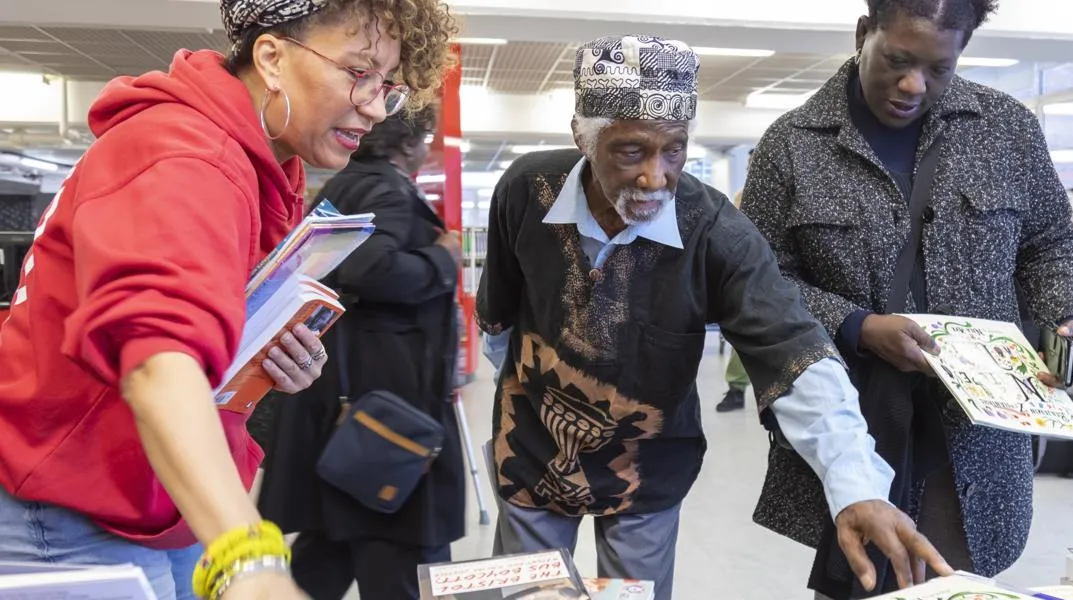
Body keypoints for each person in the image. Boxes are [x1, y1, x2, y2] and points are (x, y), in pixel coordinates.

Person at [0, 0, 456, 598]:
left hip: (160, 494)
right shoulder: (187, 154)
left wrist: (261, 353)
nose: (374, 106)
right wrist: (248, 558)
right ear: (271, 58)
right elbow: (157, 364)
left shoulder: (261, 162)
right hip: (70, 505)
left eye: (387, 86)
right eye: (358, 73)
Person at [477, 34, 951, 600]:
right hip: (532, 451)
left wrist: (857, 485)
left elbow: (794, 350)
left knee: (635, 594)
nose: (655, 177)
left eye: (673, 150)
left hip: (647, 468)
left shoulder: (716, 232)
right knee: (524, 594)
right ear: (584, 137)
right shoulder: (526, 191)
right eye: (630, 151)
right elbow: (499, 322)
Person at [739, 1, 1073, 598]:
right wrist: (857, 325)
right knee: (862, 576)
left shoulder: (1005, 130)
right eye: (897, 61)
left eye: (938, 69)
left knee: (957, 580)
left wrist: (1069, 318)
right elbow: (756, 283)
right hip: (856, 418)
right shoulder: (793, 145)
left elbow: (1051, 243)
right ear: (863, 34)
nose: (913, 85)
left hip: (977, 432)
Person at [258, 105, 467, 600]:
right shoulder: (386, 190)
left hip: (343, 395)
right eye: (424, 139)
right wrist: (443, 258)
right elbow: (369, 269)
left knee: (331, 545)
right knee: (400, 549)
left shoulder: (345, 186)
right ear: (408, 142)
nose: (426, 149)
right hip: (386, 405)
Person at [717, 148, 754, 413]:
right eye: (750, 164)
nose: (752, 168)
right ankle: (736, 389)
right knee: (743, 332)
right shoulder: (742, 195)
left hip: (785, 274)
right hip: (748, 271)